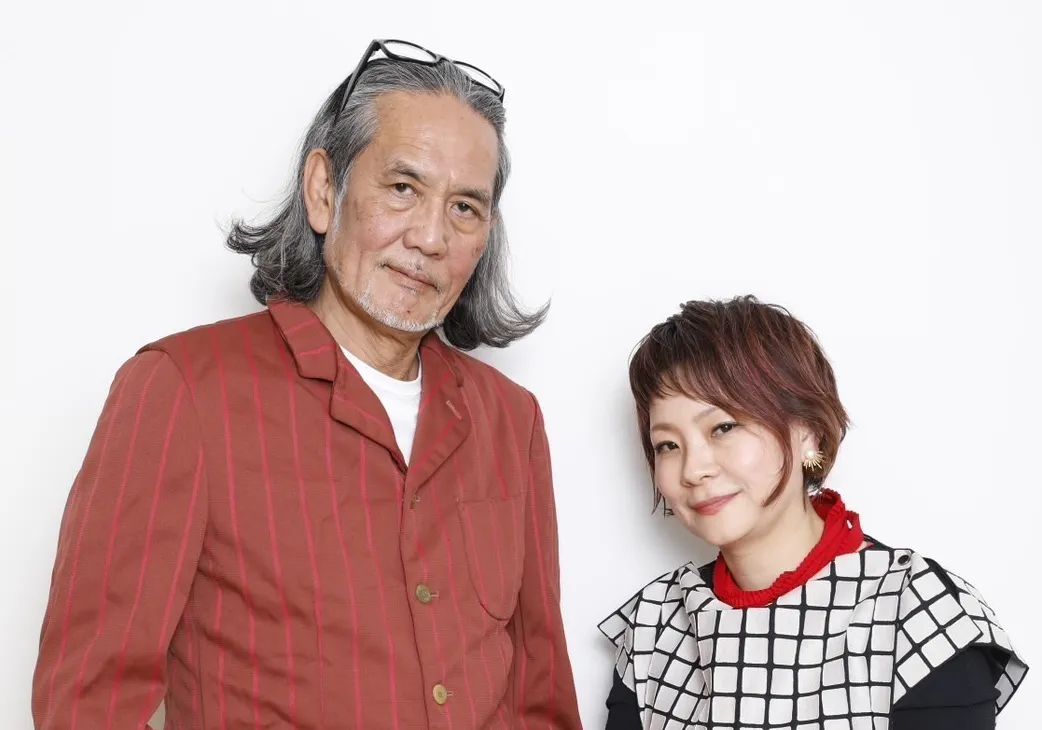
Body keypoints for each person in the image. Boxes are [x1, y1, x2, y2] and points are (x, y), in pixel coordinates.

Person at [32, 39, 582, 730]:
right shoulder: (182, 390)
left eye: (464, 207)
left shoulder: (512, 418)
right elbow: (90, 701)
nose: (431, 238)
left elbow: (539, 695)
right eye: (403, 188)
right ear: (324, 189)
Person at [599, 296, 1027, 729]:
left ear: (809, 433)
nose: (693, 469)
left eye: (723, 427)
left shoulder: (919, 612)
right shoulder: (655, 623)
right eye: (667, 445)